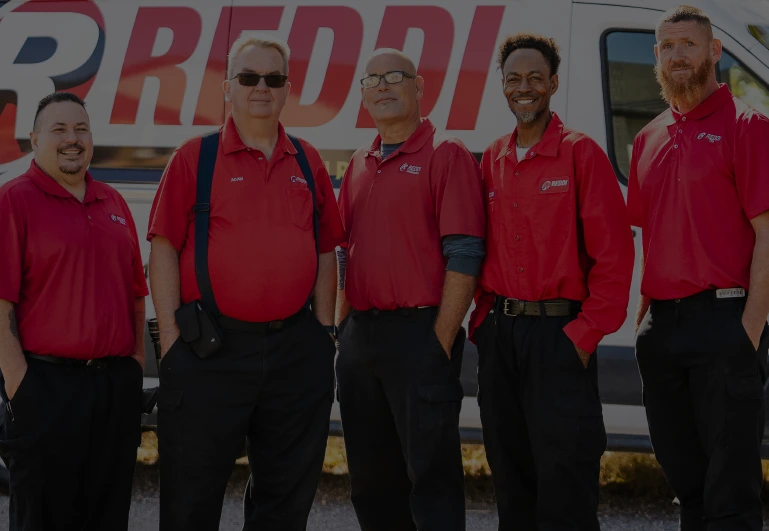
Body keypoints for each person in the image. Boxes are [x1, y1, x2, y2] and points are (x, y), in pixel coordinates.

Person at [147, 35, 344, 530]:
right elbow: (164, 247)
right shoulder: (196, 157)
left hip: (295, 352)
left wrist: (323, 333)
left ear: (286, 89)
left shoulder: (308, 159)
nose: (262, 87)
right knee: (192, 498)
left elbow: (325, 250)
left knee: (284, 499)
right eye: (249, 77)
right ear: (228, 87)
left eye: (273, 78)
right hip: (211, 350)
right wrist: (171, 342)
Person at [468, 34, 635, 530]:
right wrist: (482, 323)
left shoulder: (581, 154)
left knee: (566, 484)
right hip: (501, 338)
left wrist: (583, 338)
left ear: (553, 84)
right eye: (514, 79)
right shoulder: (492, 158)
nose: (525, 88)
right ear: (502, 85)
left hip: (559, 338)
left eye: (535, 78)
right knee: (510, 480)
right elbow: (477, 248)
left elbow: (614, 256)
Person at [628, 6, 769, 530]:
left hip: (726, 322)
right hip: (661, 330)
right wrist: (645, 321)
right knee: (687, 485)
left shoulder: (750, 127)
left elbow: (768, 238)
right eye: (666, 47)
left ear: (715, 51)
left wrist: (749, 332)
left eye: (687, 44)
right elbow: (652, 236)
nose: (676, 56)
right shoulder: (649, 137)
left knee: (730, 493)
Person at [334, 48, 486, 530]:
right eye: (372, 79)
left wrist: (439, 340)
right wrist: (342, 328)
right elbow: (344, 253)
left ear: (419, 86)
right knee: (371, 482)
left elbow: (465, 253)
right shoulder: (358, 162)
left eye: (394, 76)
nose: (382, 86)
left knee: (431, 480)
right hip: (361, 338)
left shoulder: (446, 153)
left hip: (420, 334)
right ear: (362, 93)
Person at [0, 92, 148, 531]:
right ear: (34, 138)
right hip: (46, 387)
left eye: (81, 129)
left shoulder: (114, 203)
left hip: (112, 389)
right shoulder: (14, 200)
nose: (72, 138)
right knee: (42, 518)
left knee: (107, 515)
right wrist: (20, 387)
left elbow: (135, 295)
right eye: (59, 129)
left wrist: (135, 367)